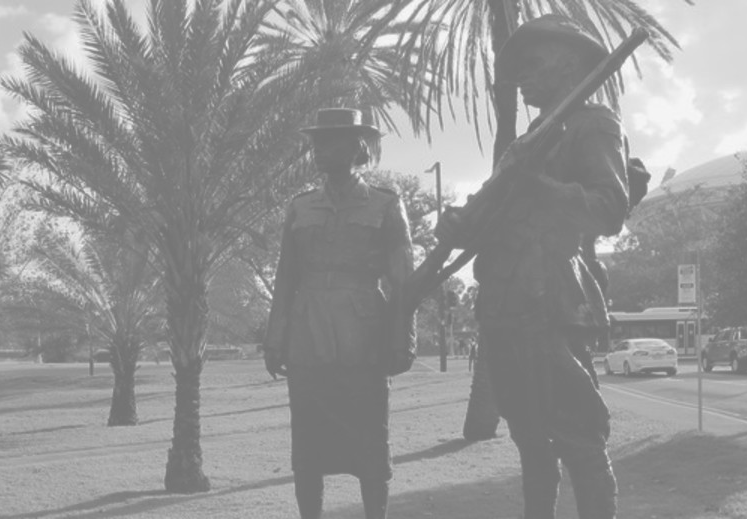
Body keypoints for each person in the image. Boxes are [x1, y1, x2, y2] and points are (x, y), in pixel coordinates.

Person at [436, 15, 625, 519]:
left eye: (533, 65)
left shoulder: (593, 125)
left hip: (553, 300)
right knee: (530, 441)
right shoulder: (531, 138)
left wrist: (537, 182)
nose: (522, 79)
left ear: (568, 65)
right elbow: (492, 215)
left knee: (581, 437)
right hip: (503, 302)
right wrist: (459, 225)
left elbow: (609, 207)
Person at [263, 107, 416, 519]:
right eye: (316, 143)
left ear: (356, 149)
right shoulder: (300, 207)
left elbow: (404, 282)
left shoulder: (386, 204)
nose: (318, 152)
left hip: (363, 338)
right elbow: (285, 279)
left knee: (370, 444)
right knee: (308, 447)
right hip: (308, 337)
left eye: (329, 143)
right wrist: (275, 338)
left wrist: (404, 341)